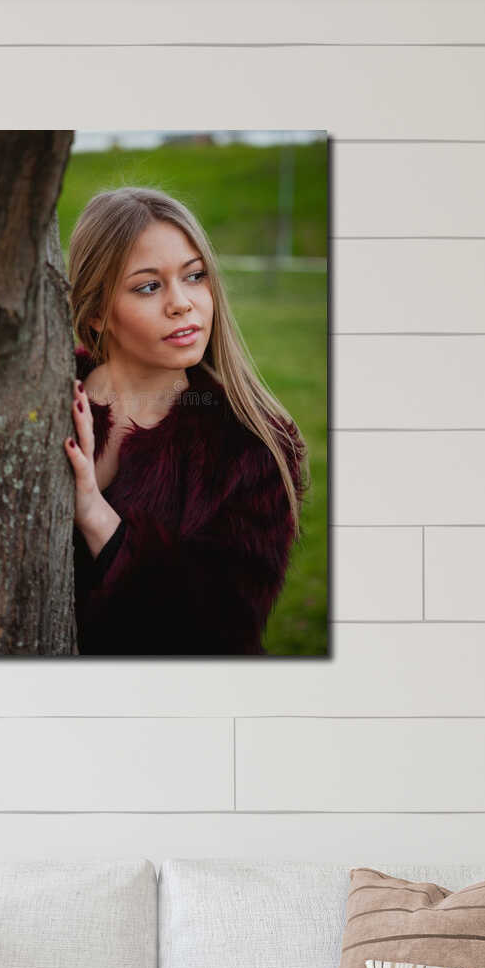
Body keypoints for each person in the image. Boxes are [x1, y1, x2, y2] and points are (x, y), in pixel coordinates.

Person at [60, 186, 308, 655]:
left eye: (195, 277)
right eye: (149, 286)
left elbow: (220, 631)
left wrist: (94, 514)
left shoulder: (252, 448)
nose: (182, 303)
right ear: (95, 316)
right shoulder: (37, 407)